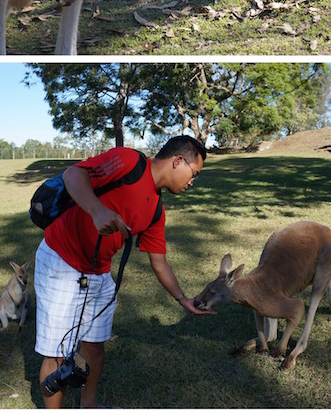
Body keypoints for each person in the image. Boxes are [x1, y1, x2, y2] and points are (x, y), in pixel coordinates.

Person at [34, 136, 215, 409]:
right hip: (61, 261)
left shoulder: (156, 210)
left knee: (94, 348)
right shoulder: (130, 162)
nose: (192, 182)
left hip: (98, 274)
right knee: (57, 354)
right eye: (194, 174)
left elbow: (160, 262)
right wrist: (96, 210)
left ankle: (89, 405)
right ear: (178, 161)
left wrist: (182, 299)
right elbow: (74, 175)